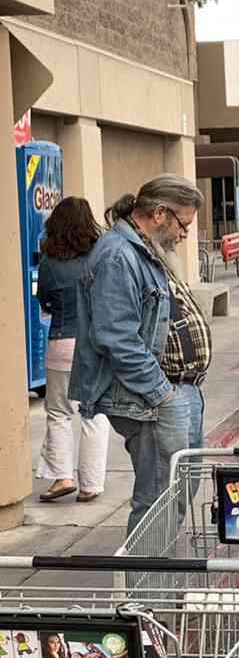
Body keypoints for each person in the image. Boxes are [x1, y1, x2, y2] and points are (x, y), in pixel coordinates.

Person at [70, 174, 209, 536]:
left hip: (176, 392)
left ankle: (156, 585)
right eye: (184, 224)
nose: (185, 234)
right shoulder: (119, 255)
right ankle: (146, 592)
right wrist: (162, 393)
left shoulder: (145, 249)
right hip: (154, 398)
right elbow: (116, 337)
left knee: (176, 492)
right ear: (160, 213)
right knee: (159, 499)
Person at [36, 198, 110, 503]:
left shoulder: (49, 262)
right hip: (93, 343)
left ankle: (63, 477)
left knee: (58, 412)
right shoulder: (100, 256)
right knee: (93, 413)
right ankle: (91, 484)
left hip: (61, 342)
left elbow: (45, 301)